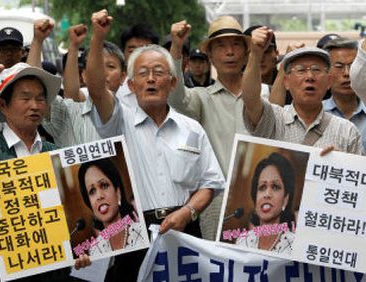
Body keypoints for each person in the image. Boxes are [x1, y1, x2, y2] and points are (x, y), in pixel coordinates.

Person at [77, 10, 225, 280]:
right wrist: (98, 37)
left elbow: (211, 183)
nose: (151, 79)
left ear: (173, 82)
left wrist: (187, 212)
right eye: (143, 74)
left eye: (159, 72)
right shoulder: (118, 120)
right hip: (135, 234)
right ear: (131, 85)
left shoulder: (192, 128)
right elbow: (97, 89)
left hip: (185, 231)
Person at [0, 60, 75, 281]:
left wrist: (80, 250)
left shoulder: (55, 153)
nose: (34, 105)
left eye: (40, 98)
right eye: (25, 98)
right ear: (3, 106)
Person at [168, 17, 269, 240]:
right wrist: (176, 47)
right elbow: (175, 98)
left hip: (266, 202)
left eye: (236, 45)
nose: (229, 52)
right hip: (217, 205)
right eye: (221, 46)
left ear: (246, 52)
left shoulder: (266, 95)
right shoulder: (201, 98)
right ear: (210, 56)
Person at [242, 26, 362, 155]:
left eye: (316, 69)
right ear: (286, 82)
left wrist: (342, 162)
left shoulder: (347, 131)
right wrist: (255, 55)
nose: (309, 77)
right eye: (301, 70)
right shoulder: (275, 120)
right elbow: (251, 99)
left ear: (328, 81)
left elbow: (358, 173)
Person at [78, 159, 144, 255]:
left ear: (118, 193)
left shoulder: (143, 233)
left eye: (104, 185)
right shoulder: (95, 250)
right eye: (92, 191)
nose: (99, 196)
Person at [236, 153, 295, 255]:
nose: (267, 194)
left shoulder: (294, 246)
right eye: (262, 187)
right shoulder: (242, 241)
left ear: (285, 199)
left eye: (275, 187)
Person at [322, 38, 366, 153]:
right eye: (339, 66)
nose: (347, 73)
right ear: (326, 72)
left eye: (352, 66)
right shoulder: (316, 113)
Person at [115, 23, 159, 108]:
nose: (137, 56)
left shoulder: (164, 88)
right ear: (123, 53)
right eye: (132, 51)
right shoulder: (114, 90)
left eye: (144, 51)